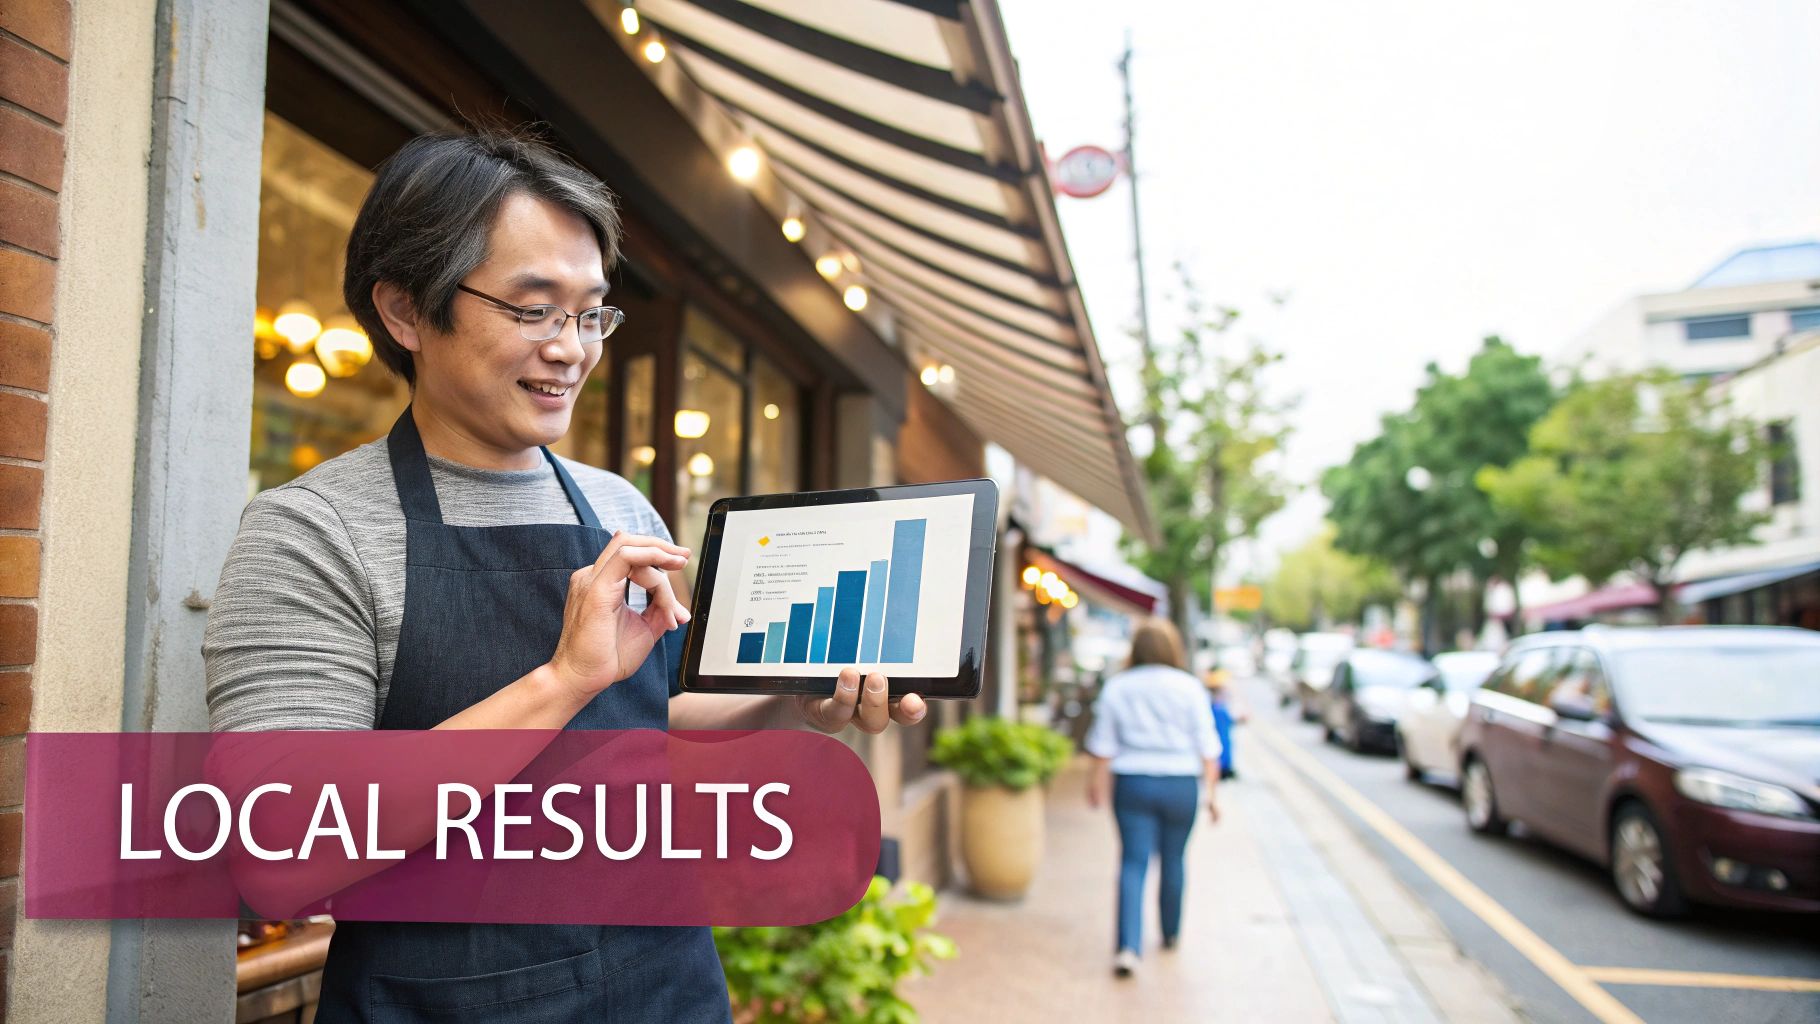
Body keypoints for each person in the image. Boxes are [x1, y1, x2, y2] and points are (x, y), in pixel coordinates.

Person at [203, 125, 925, 1023]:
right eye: (532, 308)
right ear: (404, 312)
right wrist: (562, 678)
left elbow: (657, 714)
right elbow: (280, 853)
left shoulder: (618, 506)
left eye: (589, 313)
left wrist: (792, 694)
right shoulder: (313, 534)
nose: (572, 349)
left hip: (667, 986)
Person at [1084, 618, 1221, 978]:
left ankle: (1128, 947)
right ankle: (1171, 933)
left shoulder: (1118, 687)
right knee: (1174, 859)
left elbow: (1103, 744)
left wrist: (1094, 782)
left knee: (1133, 862)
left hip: (1132, 781)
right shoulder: (1190, 687)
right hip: (1180, 783)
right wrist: (1213, 795)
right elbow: (1208, 747)